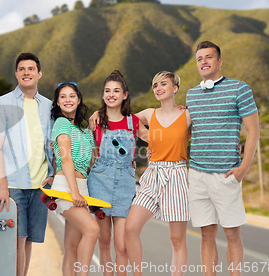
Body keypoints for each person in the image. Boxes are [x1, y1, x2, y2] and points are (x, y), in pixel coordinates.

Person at [186, 41, 259, 276]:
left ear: (219, 61)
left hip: (226, 174)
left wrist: (243, 168)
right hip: (197, 175)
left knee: (231, 234)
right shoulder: (191, 95)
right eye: (200, 58)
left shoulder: (239, 89)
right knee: (206, 234)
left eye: (209, 57)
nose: (204, 62)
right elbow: (183, 132)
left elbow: (254, 131)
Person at [0, 52, 55, 276]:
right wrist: (2, 185)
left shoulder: (48, 106)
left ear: (39, 74)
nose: (27, 72)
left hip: (41, 186)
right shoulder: (2, 103)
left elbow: (53, 145)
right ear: (16, 74)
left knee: (28, 242)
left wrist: (53, 176)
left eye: (31, 69)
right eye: (22, 69)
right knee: (17, 240)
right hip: (14, 185)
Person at [124, 71, 191, 276]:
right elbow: (124, 121)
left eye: (163, 84)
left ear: (175, 88)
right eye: (155, 85)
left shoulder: (188, 114)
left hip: (178, 175)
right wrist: (147, 136)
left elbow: (206, 134)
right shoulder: (149, 114)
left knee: (177, 239)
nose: (158, 88)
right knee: (130, 228)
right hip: (153, 174)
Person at [86, 70, 147, 276]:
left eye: (116, 91)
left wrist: (176, 114)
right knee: (104, 241)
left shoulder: (133, 122)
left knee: (121, 246)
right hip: (99, 182)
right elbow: (85, 152)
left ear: (125, 95)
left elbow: (159, 138)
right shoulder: (95, 122)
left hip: (124, 184)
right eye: (107, 91)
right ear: (103, 96)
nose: (111, 94)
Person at [50, 82, 99, 276]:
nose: (68, 100)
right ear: (57, 103)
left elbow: (93, 162)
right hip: (67, 188)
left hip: (81, 187)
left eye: (72, 96)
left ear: (79, 100)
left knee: (71, 247)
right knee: (93, 230)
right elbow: (65, 158)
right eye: (63, 97)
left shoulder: (85, 132)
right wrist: (74, 192)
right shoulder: (61, 124)